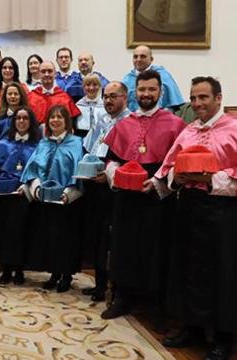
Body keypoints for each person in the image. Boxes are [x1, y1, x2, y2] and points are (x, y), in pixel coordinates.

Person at [156, 77, 237, 360]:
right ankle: (191, 327)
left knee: (223, 275)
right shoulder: (188, 131)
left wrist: (207, 179)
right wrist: (176, 178)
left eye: (203, 97)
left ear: (218, 98)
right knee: (188, 270)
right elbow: (168, 171)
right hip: (190, 211)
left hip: (224, 215)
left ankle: (223, 337)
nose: (197, 104)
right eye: (193, 98)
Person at [100, 70, 186, 320]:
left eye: (151, 89)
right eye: (142, 89)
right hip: (127, 196)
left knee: (157, 248)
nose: (146, 94)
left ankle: (158, 304)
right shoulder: (124, 124)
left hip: (157, 197)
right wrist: (117, 176)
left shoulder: (175, 124)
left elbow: (177, 163)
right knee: (124, 247)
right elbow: (111, 161)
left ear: (160, 92)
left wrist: (158, 183)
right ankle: (123, 298)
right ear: (135, 92)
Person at [21, 105, 84, 293]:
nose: (55, 120)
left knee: (65, 239)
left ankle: (66, 274)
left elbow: (78, 170)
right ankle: (54, 273)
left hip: (66, 200)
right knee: (49, 237)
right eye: (52, 117)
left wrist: (68, 193)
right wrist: (37, 186)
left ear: (67, 121)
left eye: (60, 117)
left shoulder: (76, 142)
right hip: (46, 198)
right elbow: (32, 168)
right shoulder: (44, 143)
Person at [79, 81, 131, 303]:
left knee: (112, 239)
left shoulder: (130, 123)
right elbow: (91, 147)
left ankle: (117, 289)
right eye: (106, 96)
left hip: (115, 188)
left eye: (114, 96)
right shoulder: (101, 120)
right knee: (98, 236)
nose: (109, 100)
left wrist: (109, 176)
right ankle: (99, 285)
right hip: (95, 184)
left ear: (125, 98)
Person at [0, 107, 40, 285]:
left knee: (21, 233)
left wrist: (27, 187)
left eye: (25, 118)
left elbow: (39, 172)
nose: (22, 122)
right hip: (3, 196)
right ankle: (6, 269)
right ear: (13, 121)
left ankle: (19, 270)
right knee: (3, 232)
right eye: (18, 118)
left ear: (30, 122)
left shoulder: (37, 146)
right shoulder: (3, 144)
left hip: (23, 197)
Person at [122, 45, 184, 112]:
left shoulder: (163, 76)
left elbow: (173, 105)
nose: (138, 59)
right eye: (135, 57)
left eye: (143, 56)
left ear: (151, 59)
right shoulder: (127, 79)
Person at [0, 82, 29, 149]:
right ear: (5, 96)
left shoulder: (29, 118)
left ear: (21, 96)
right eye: (10, 94)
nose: (13, 96)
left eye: (16, 94)